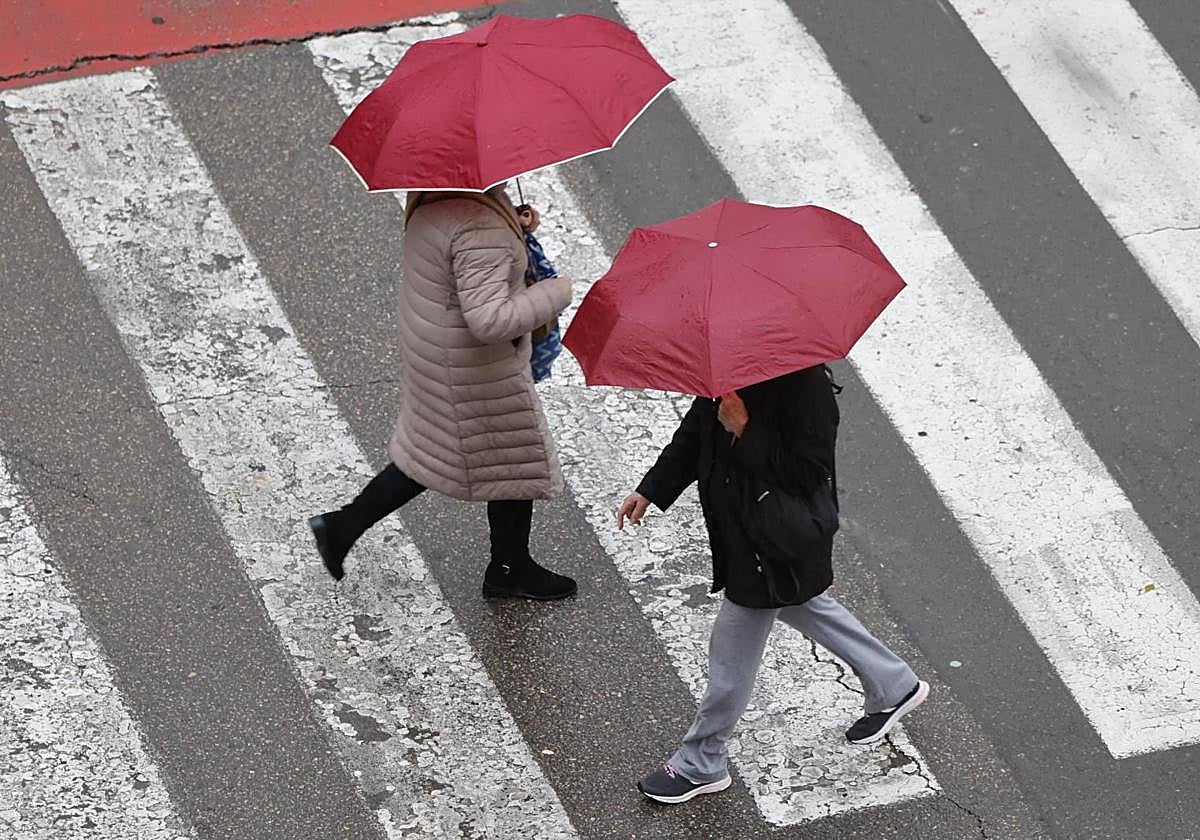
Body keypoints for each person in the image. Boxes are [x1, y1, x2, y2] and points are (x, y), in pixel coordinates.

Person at [617, 365, 929, 804]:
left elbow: (808, 473)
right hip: (747, 536)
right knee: (802, 603)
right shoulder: (727, 368)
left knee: (730, 656)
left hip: (774, 542)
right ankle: (894, 684)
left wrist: (746, 429)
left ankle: (700, 761)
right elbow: (694, 436)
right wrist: (651, 489)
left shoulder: (806, 385)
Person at [309, 184, 577, 600]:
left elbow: (466, 259)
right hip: (476, 368)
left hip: (441, 353)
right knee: (504, 460)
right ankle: (509, 568)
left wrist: (513, 225)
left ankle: (344, 528)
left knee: (462, 455)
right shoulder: (479, 227)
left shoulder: (434, 196)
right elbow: (490, 320)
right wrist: (554, 292)